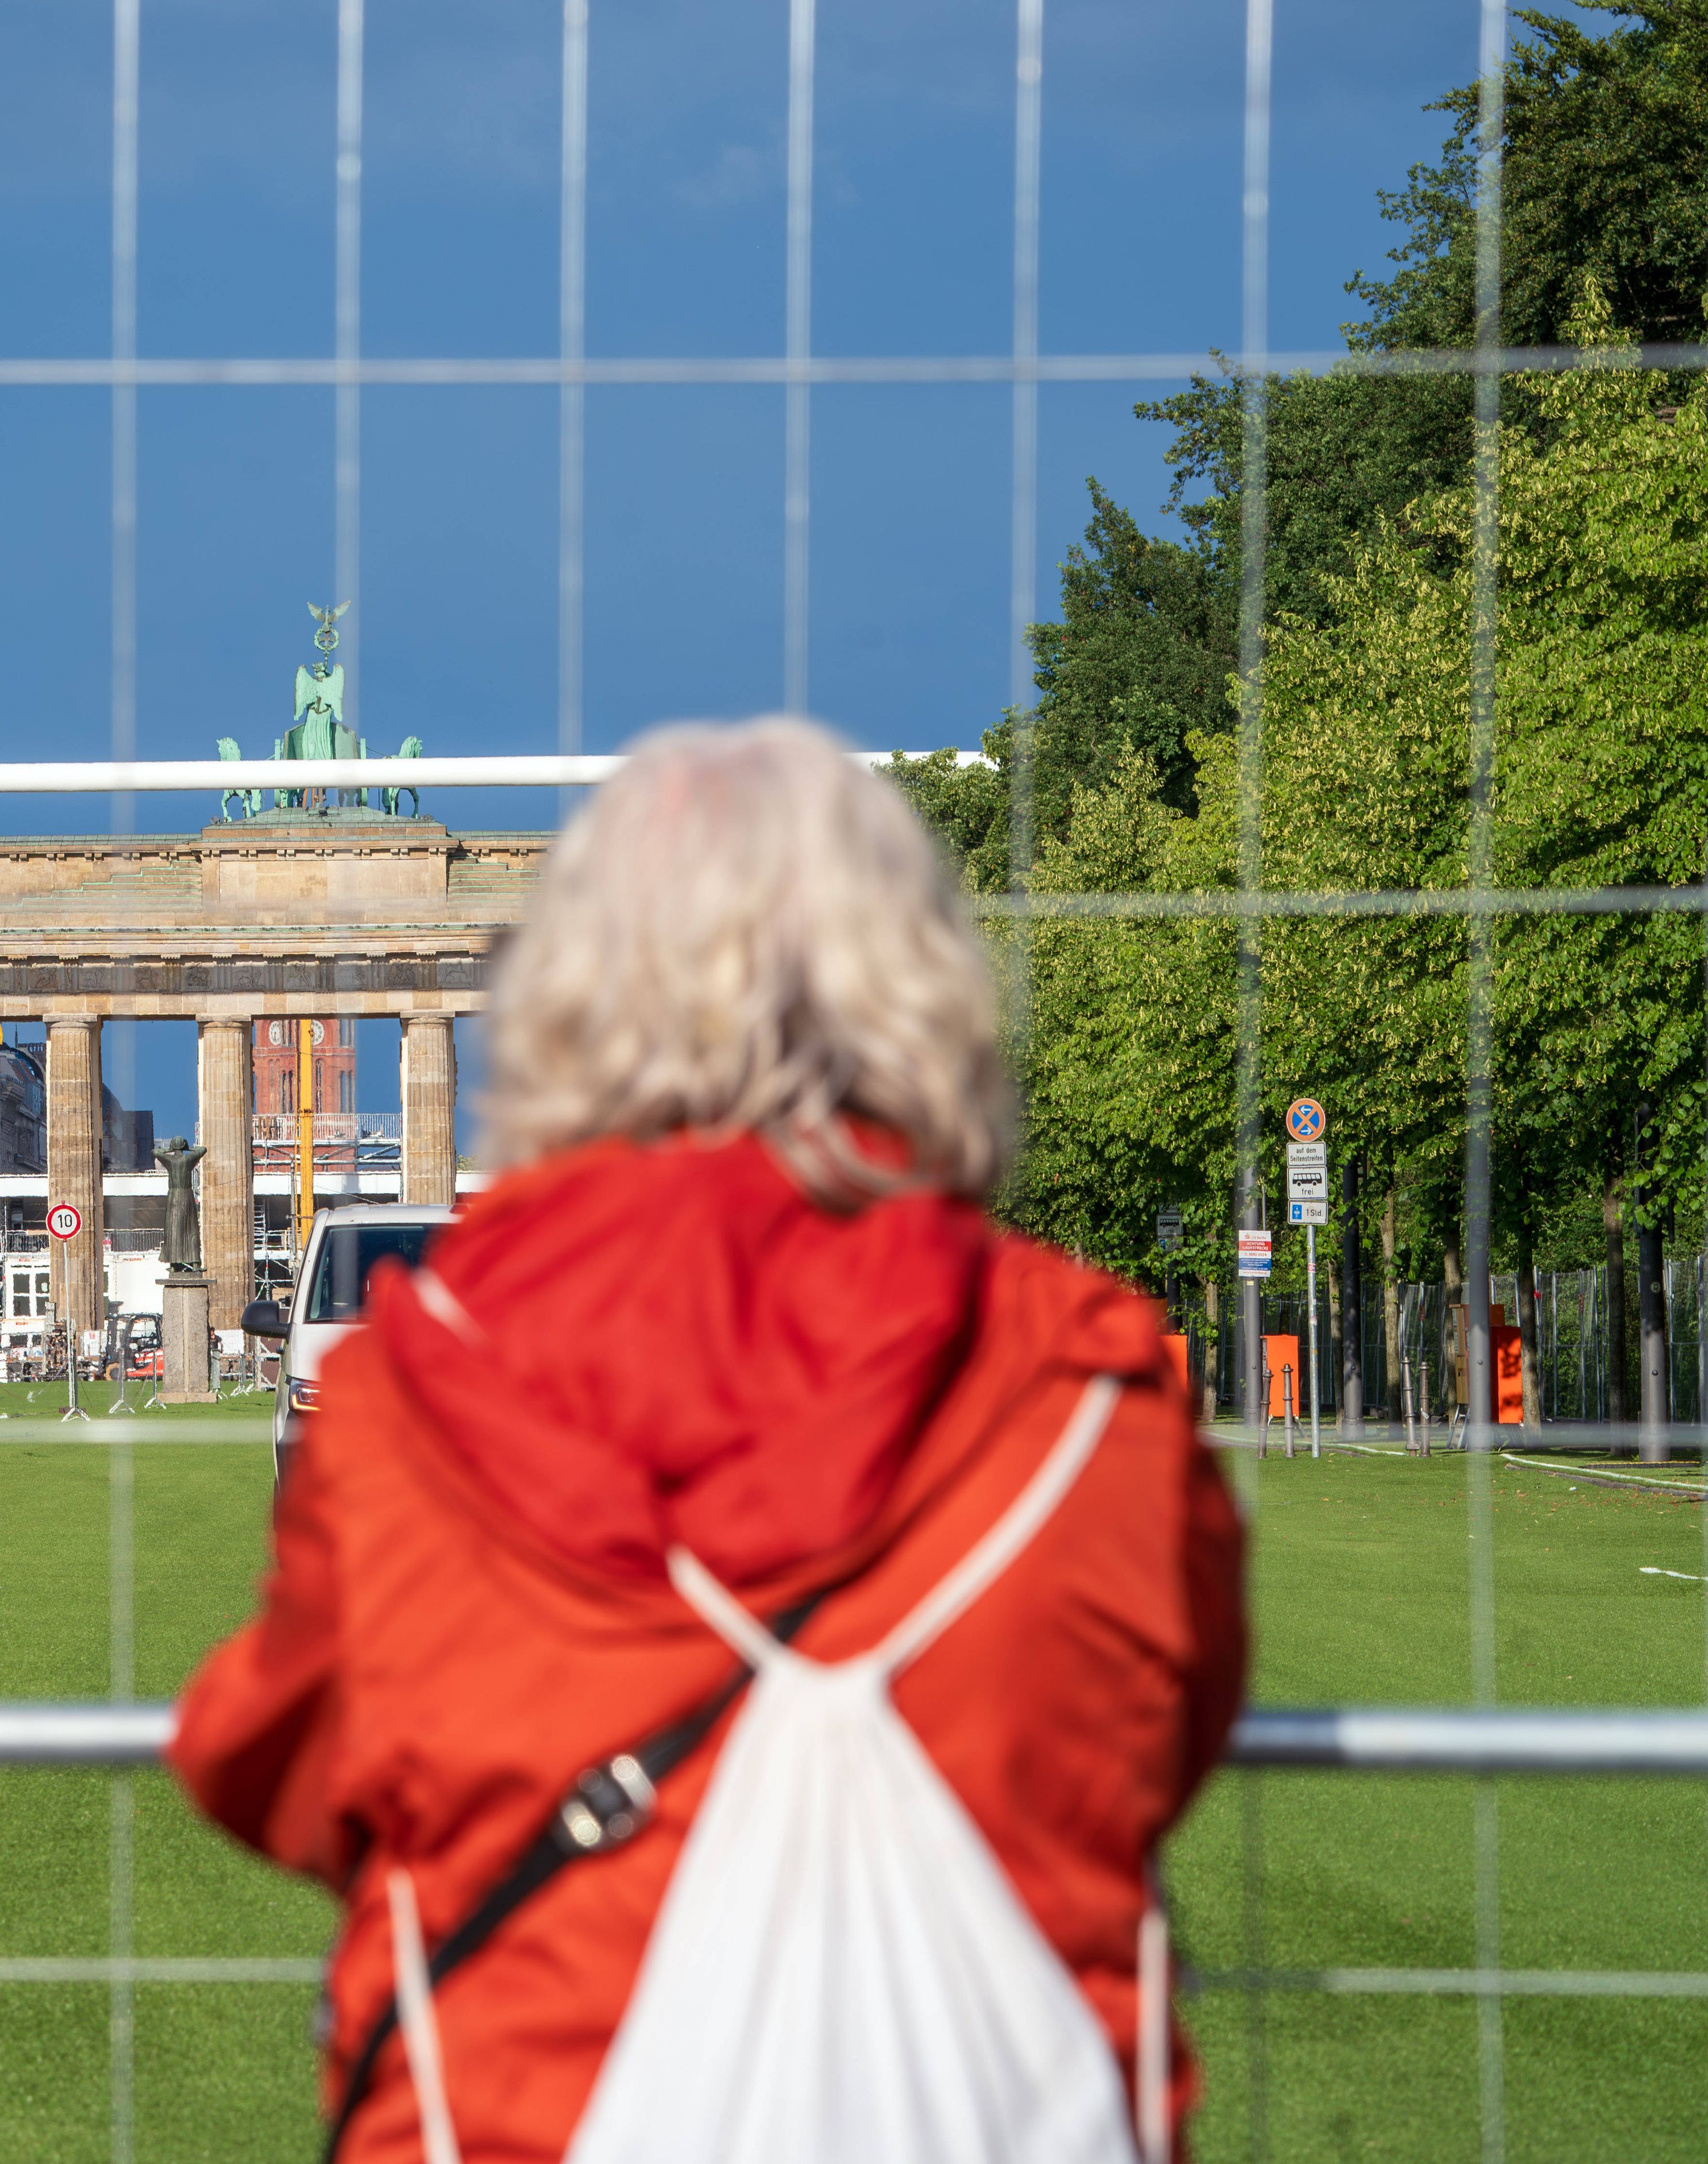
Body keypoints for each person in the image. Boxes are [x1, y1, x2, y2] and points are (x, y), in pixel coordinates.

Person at [168, 718, 1246, 2164]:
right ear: (923, 987)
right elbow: (1169, 1732)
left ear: (567, 1002)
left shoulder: (420, 1387)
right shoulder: (1094, 1381)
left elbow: (275, 1763)